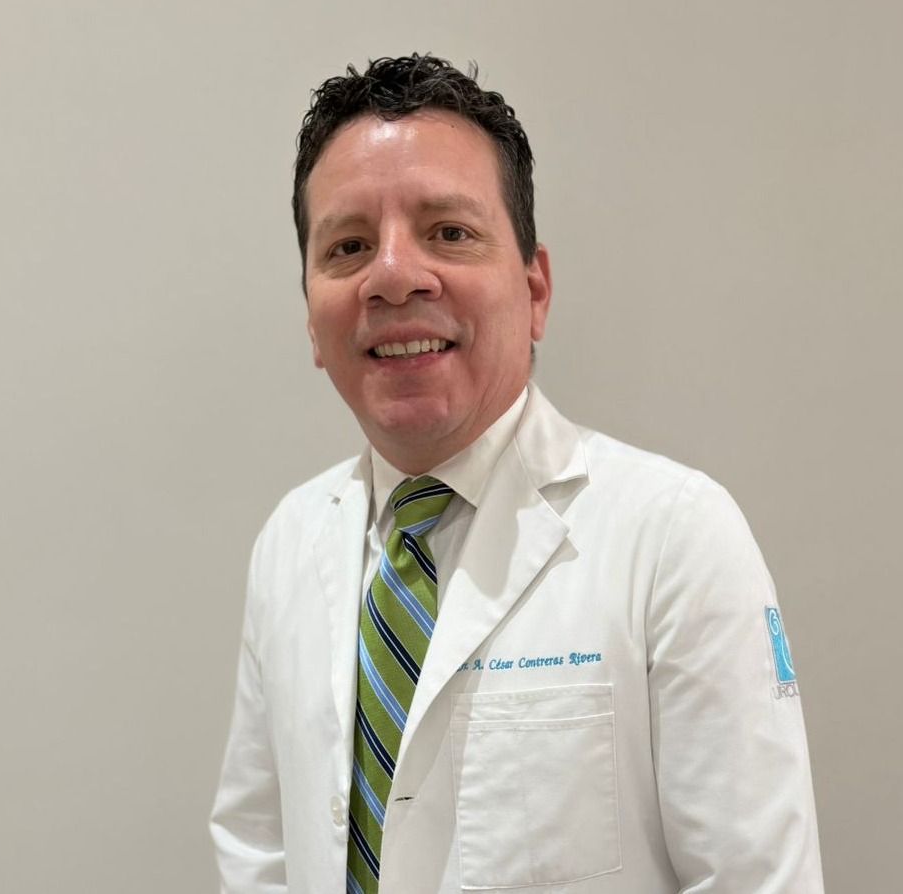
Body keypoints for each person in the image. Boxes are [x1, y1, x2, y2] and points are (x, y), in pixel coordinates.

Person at [210, 54, 824, 893]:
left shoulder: (675, 537)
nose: (393, 276)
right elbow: (258, 851)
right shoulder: (289, 543)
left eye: (448, 233)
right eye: (348, 247)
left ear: (535, 290)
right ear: (313, 321)